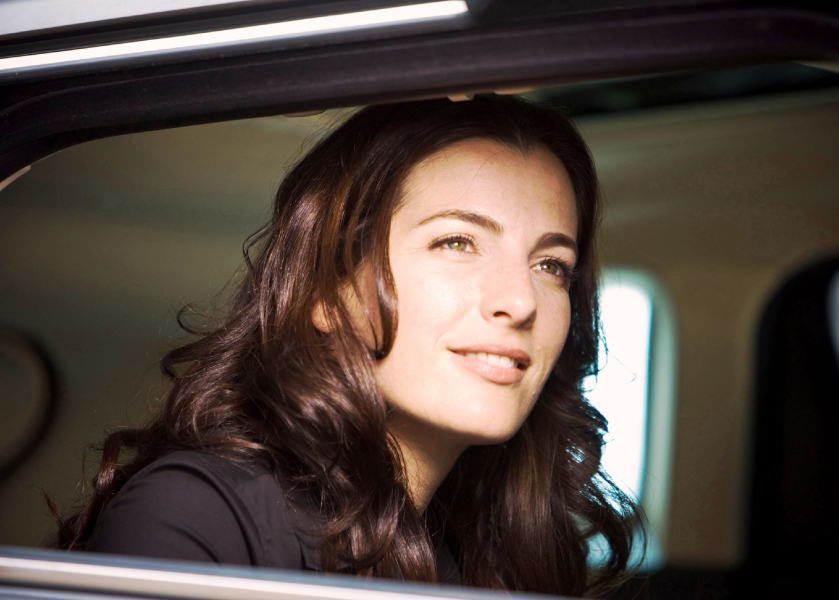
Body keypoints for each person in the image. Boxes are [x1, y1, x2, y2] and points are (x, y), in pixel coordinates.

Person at [52, 95, 640, 597]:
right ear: (328, 294)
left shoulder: (479, 554)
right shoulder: (201, 513)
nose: (521, 300)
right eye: (457, 242)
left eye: (551, 265)